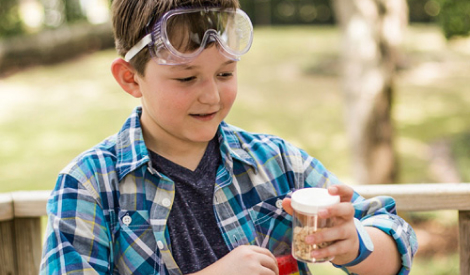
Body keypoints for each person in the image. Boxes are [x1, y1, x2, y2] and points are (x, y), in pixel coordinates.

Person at [39, 0, 418, 274]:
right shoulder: (89, 184)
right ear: (129, 78)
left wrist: (356, 244)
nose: (212, 96)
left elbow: (396, 235)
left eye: (225, 74)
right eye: (186, 78)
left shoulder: (276, 162)